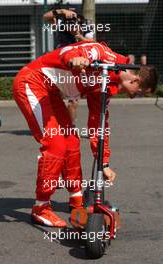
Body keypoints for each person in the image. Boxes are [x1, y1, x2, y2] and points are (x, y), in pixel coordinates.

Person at [13, 40, 157, 228]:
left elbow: (99, 124)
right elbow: (70, 51)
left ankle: (76, 199)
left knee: (72, 141)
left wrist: (104, 163)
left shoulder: (107, 81)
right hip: (32, 82)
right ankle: (41, 208)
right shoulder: (101, 53)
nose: (133, 96)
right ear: (135, 80)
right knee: (55, 143)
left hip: (52, 92)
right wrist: (76, 59)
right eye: (138, 93)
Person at [44, 8, 94, 125]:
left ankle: (72, 127)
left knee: (76, 100)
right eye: (69, 19)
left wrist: (78, 35)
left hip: (77, 63)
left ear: (79, 19)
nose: (70, 23)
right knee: (58, 98)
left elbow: (92, 43)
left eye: (73, 19)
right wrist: (61, 11)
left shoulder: (85, 25)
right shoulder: (60, 22)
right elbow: (46, 17)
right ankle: (65, 125)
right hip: (60, 63)